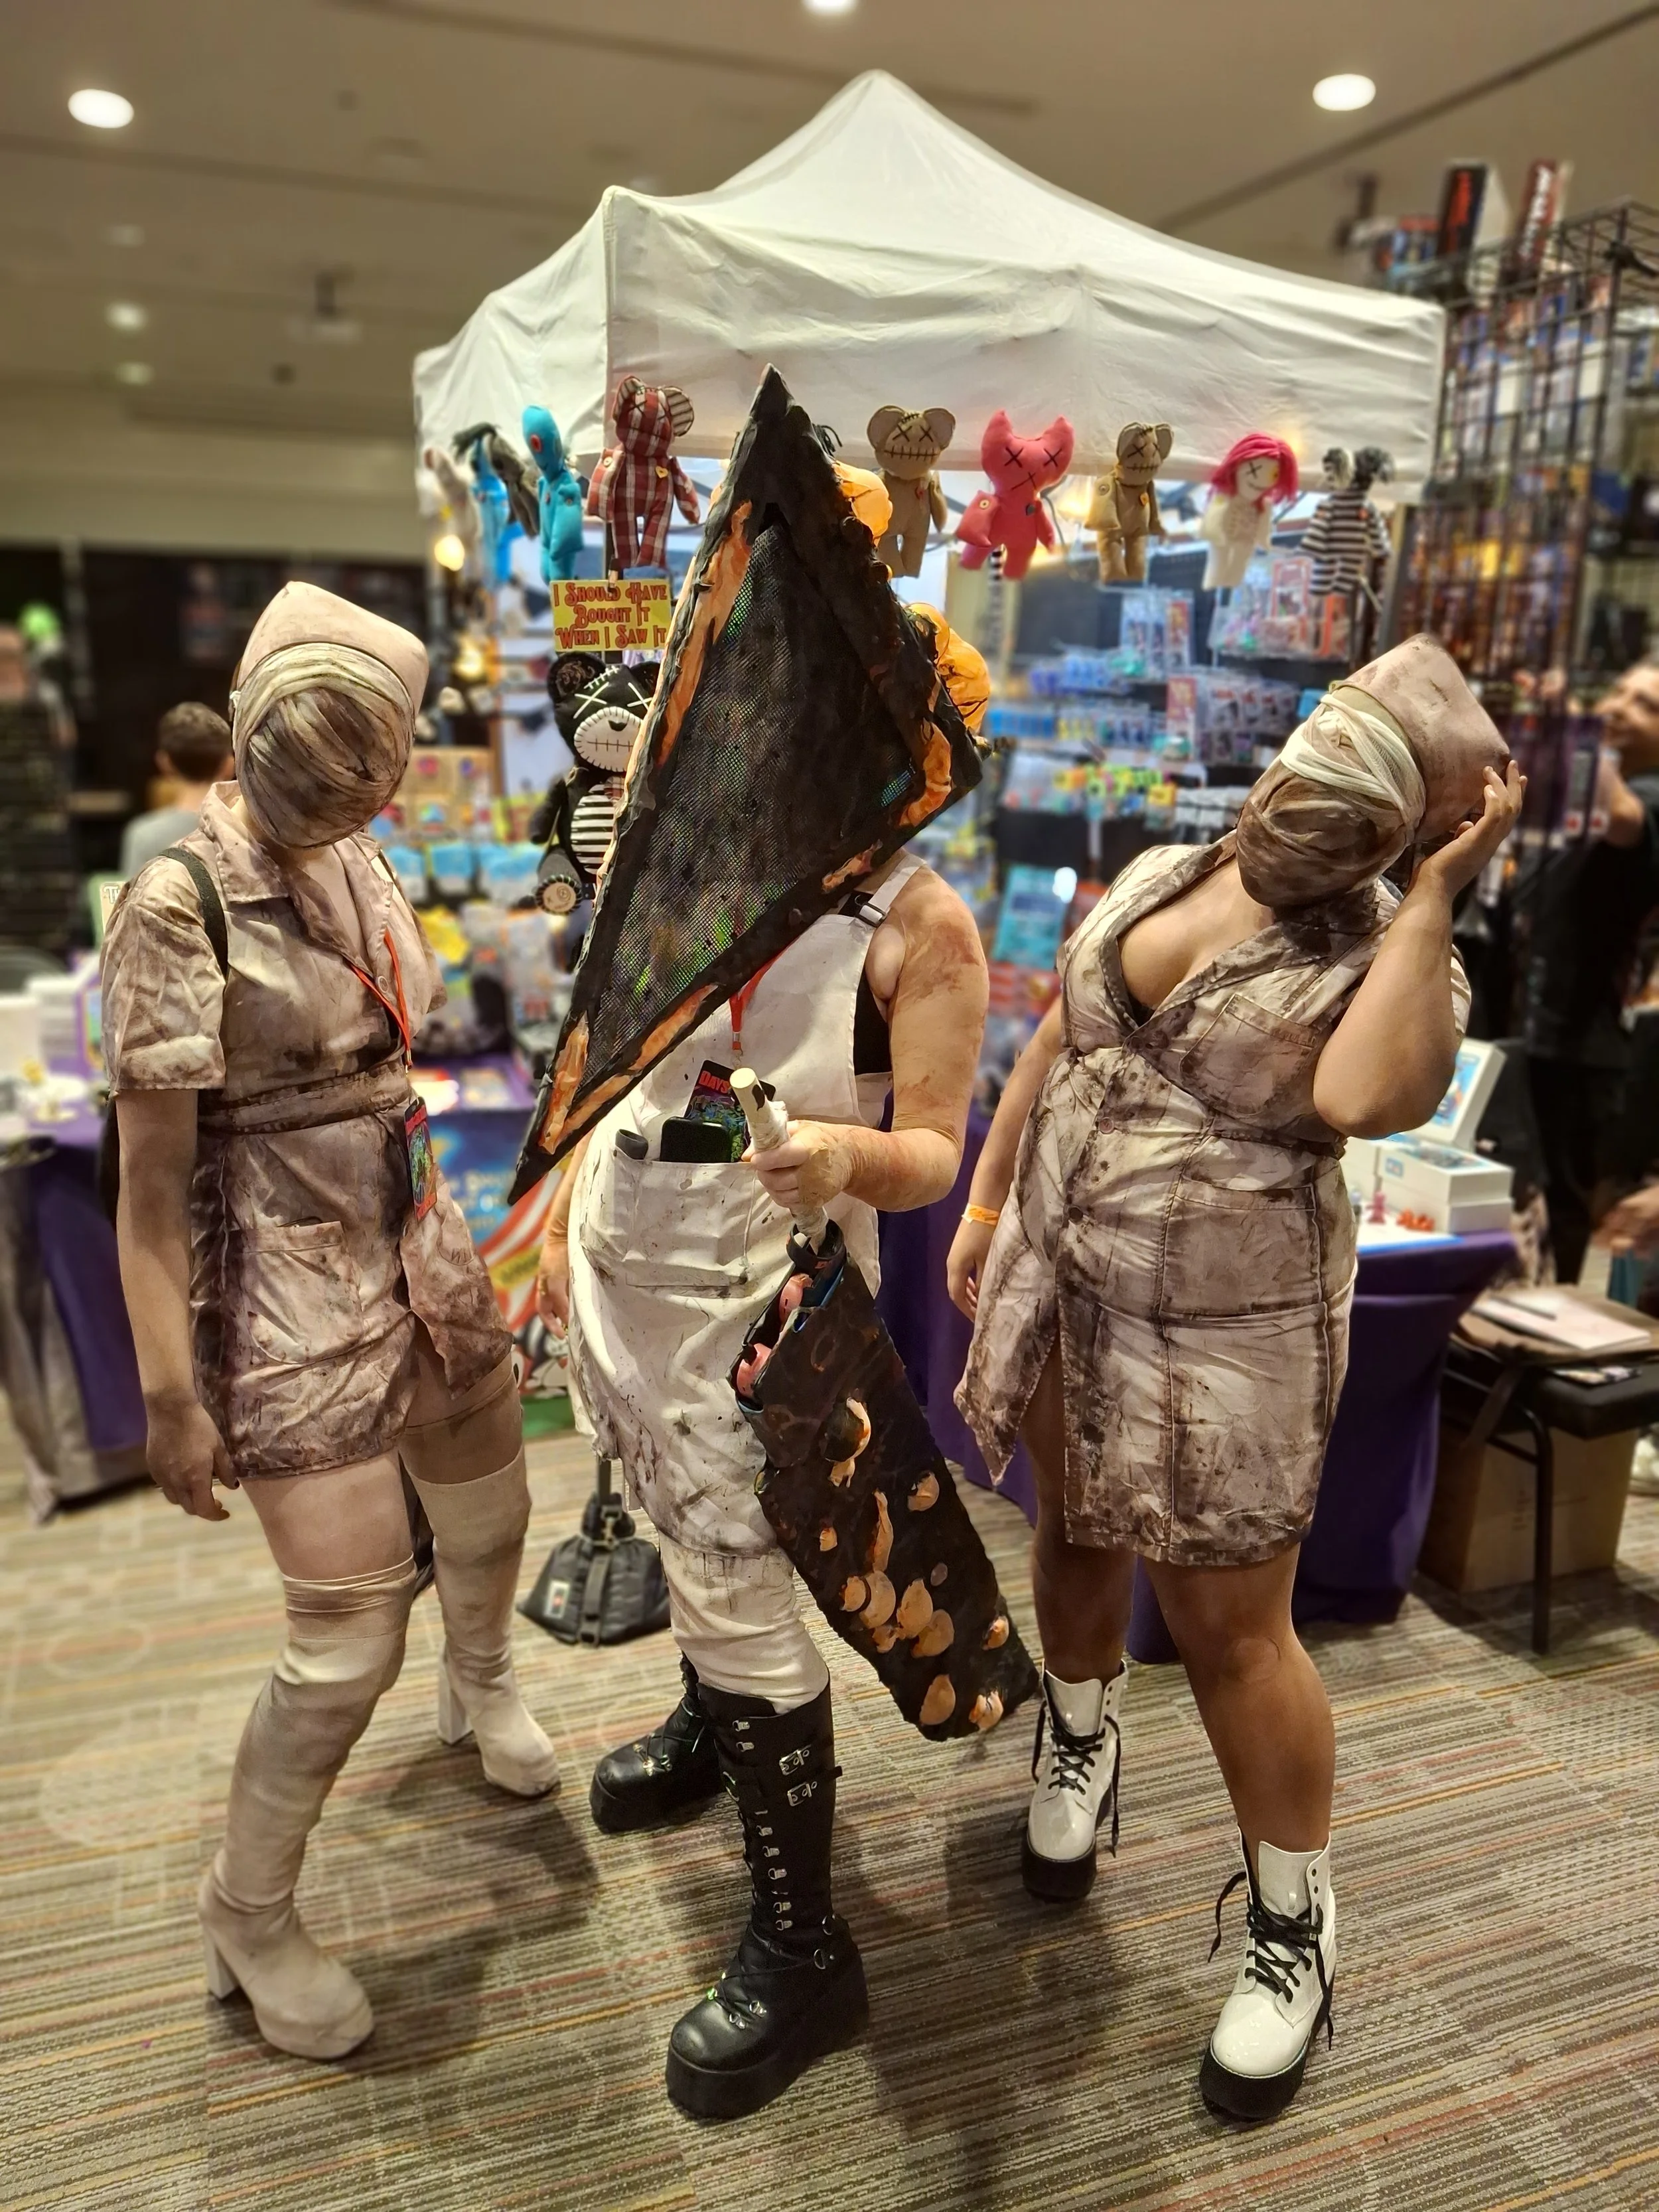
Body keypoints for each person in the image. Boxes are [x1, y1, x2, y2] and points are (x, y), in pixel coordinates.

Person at [948, 634, 1520, 2124]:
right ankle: (1078, 1738)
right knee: (1067, 1530)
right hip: (1071, 1273)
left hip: (1225, 1331)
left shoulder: (1391, 955)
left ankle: (1292, 1928)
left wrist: (1437, 895)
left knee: (1226, 1632)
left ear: (1406, 825)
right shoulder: (1156, 869)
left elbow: (1356, 1097)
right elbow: (1061, 1042)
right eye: (1306, 762)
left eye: (1355, 795)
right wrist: (989, 1198)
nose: (1300, 803)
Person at [102, 581, 559, 2064]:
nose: (339, 793)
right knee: (344, 1634)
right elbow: (150, 1183)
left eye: (367, 771)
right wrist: (173, 1397)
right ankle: (247, 1906)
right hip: (281, 1277)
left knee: (492, 1508)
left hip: (413, 1229)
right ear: (244, 729)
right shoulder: (176, 899)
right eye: (313, 767)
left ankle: (479, 1679)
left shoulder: (359, 852)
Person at [536, 729, 989, 2123]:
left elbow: (931, 1153)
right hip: (627, 1264)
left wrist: (843, 1154)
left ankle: (804, 1941)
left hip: (757, 1300)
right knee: (686, 1537)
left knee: (737, 1574)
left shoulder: (917, 922)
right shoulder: (687, 848)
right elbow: (614, 1054)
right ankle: (708, 1716)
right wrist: (564, 1209)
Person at [1522, 657, 1659, 1280]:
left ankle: (1547, 1340)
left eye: (1647, 705)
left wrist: (1577, 730)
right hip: (1530, 1018)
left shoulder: (1647, 794)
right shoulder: (1597, 781)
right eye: (1619, 691)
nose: (1618, 708)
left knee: (1558, 1207)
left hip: (1579, 1044)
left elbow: (1626, 821)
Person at [120, 701, 236, 876]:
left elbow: (131, 901)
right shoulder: (248, 831)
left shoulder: (144, 836)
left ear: (164, 763)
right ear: (230, 765)